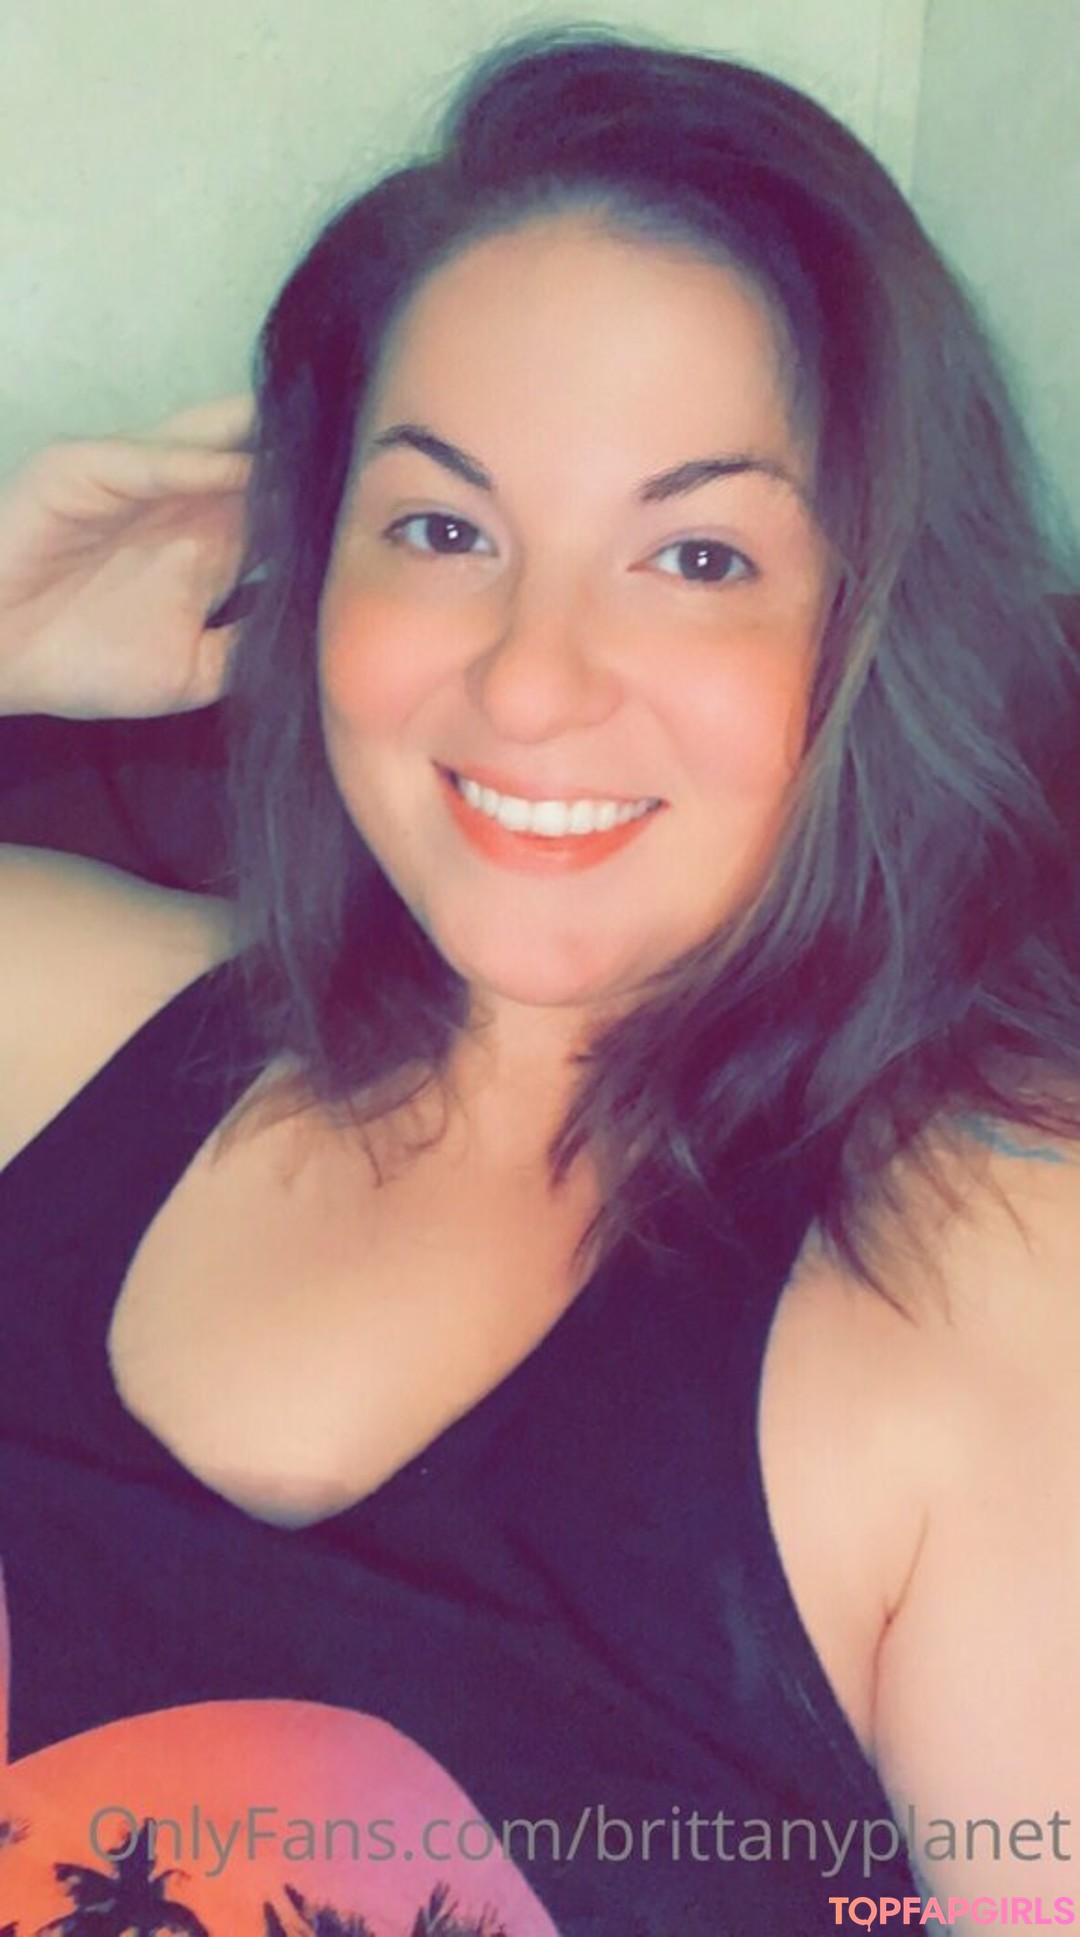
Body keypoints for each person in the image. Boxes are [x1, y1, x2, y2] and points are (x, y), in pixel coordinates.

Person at [0, 27, 1077, 1937]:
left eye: (698, 554)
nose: (529, 675)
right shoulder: (58, 1014)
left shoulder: (988, 1279)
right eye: (443, 529)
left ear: (879, 627)